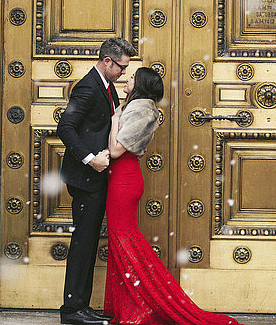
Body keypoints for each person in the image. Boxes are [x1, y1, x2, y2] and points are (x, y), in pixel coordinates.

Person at [104, 67, 242, 325]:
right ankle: (134, 304)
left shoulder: (141, 108)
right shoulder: (137, 106)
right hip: (122, 178)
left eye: (132, 77)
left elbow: (115, 150)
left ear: (141, 84)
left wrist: (113, 121)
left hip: (124, 180)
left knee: (125, 240)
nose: (127, 79)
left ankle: (152, 301)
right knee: (121, 241)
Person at [57, 37, 136, 325]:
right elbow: (65, 127)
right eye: (121, 67)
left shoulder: (106, 86)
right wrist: (91, 158)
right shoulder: (88, 87)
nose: (124, 73)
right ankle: (72, 311)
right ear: (107, 61)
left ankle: (80, 306)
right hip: (86, 178)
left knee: (89, 242)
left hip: (97, 177)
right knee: (83, 242)